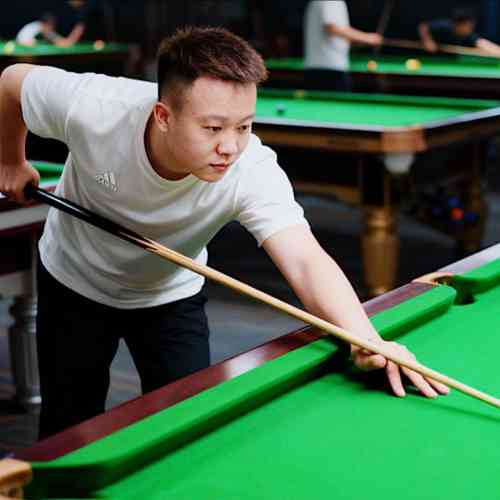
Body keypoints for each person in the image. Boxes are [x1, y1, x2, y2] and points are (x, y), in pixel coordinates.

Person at [0, 26, 448, 438]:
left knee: (186, 429)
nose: (230, 146)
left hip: (169, 294)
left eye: (244, 126)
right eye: (213, 128)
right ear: (163, 116)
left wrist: (366, 338)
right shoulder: (96, 107)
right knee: (68, 427)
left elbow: (305, 259)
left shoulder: (250, 168)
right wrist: (10, 161)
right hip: (75, 281)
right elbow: (12, 81)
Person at [303, 0, 383, 91]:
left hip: (322, 68)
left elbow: (334, 35)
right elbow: (331, 28)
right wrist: (367, 38)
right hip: (329, 69)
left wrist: (360, 41)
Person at [419, 7, 500, 57]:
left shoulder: (467, 34)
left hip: (448, 60)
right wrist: (428, 41)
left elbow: (482, 43)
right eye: (468, 26)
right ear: (458, 25)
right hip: (425, 56)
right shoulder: (444, 26)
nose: (470, 29)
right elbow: (423, 26)